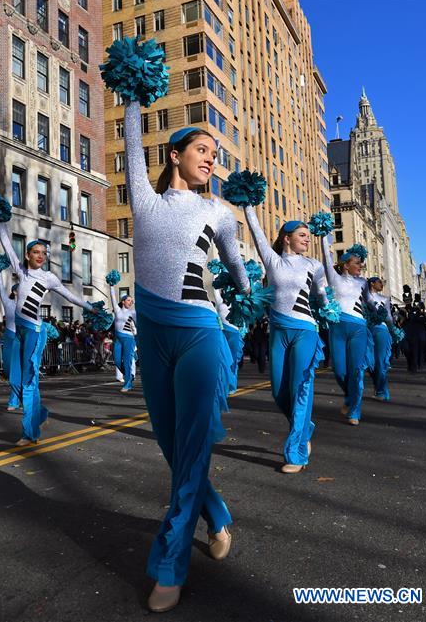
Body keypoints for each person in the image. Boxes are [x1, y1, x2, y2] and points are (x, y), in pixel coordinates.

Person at [114, 71, 250, 610]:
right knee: (175, 448)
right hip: (152, 333)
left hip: (199, 333)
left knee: (191, 447)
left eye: (214, 152)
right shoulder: (145, 200)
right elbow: (128, 138)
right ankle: (216, 515)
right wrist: (130, 95)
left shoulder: (219, 211)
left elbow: (237, 270)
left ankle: (169, 563)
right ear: (175, 155)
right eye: (202, 149)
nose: (211, 158)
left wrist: (245, 295)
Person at [0, 218, 97, 446]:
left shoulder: (49, 278)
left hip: (34, 331)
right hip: (18, 331)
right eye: (35, 252)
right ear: (28, 255)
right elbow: (6, 244)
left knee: (29, 380)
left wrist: (92, 309)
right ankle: (39, 415)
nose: (40, 256)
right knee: (15, 378)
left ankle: (29, 433)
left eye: (43, 253)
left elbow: (70, 297)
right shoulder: (21, 272)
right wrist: (0, 220)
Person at [244, 212, 328, 473]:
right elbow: (257, 234)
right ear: (286, 238)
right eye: (302, 235)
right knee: (279, 391)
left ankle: (296, 454)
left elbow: (322, 295)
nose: (307, 240)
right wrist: (248, 206)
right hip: (278, 332)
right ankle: (304, 429)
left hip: (305, 329)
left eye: (309, 236)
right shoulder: (273, 261)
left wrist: (328, 308)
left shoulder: (314, 265)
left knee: (300, 387)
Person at [320, 238, 370, 425]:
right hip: (338, 328)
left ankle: (355, 411)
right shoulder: (335, 278)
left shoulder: (363, 283)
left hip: (358, 327)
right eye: (357, 263)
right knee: (339, 371)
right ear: (346, 265)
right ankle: (350, 397)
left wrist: (377, 312)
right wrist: (324, 236)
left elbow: (369, 303)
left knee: (356, 370)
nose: (361, 266)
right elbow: (326, 256)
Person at [0, 270, 22, 411]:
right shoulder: (8, 302)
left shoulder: (28, 304)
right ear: (16, 291)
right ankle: (17, 398)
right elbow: (0, 287)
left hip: (22, 338)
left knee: (23, 370)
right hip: (10, 338)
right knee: (10, 370)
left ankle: (16, 400)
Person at [366, 277, 394, 401]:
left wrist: (393, 330)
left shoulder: (384, 299)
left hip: (380, 330)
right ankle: (380, 389)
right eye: (379, 282)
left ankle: (382, 391)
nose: (382, 284)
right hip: (366, 330)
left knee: (379, 361)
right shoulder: (364, 296)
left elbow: (388, 318)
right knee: (369, 362)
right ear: (372, 283)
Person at [109, 283, 137, 393]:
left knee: (127, 361)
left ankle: (128, 384)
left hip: (129, 339)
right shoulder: (117, 310)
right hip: (117, 339)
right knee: (116, 361)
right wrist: (111, 286)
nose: (131, 302)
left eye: (132, 301)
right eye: (128, 300)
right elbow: (112, 297)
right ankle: (129, 376)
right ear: (123, 301)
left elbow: (139, 325)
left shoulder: (133, 312)